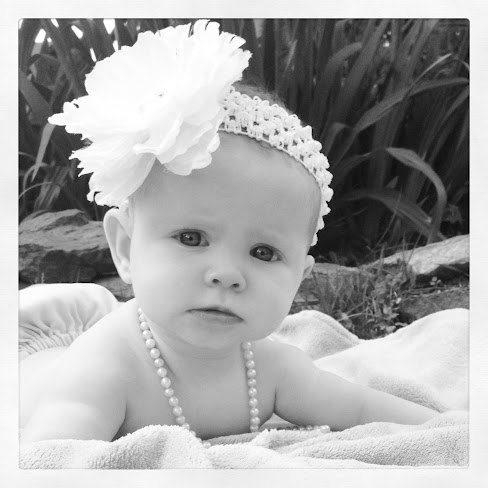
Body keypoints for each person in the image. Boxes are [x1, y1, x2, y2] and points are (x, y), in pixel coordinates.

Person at [20, 20, 438, 447]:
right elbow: (50, 458)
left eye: (263, 252)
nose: (227, 274)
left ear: (300, 276)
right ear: (126, 248)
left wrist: (455, 428)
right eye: (191, 238)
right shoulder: (103, 367)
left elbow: (360, 408)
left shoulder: (269, 367)